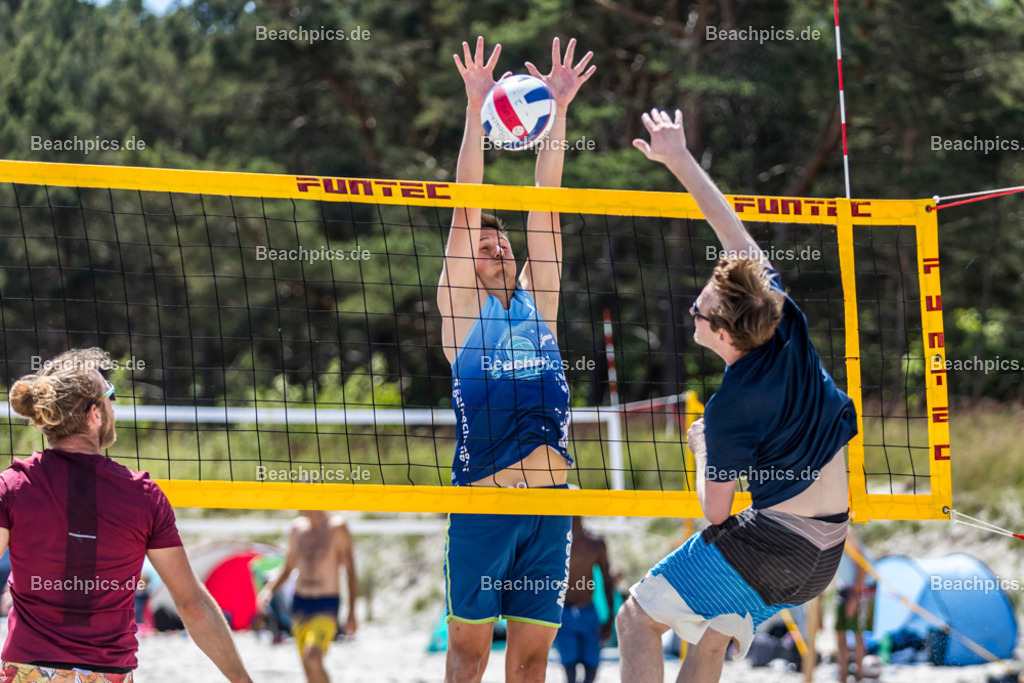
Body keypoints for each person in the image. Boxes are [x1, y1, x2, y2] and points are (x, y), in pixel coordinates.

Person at [615, 109, 858, 683]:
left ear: (724, 335)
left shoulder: (728, 409)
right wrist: (678, 158)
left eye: (699, 310)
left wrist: (701, 446)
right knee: (712, 633)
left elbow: (715, 511)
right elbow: (733, 235)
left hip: (775, 546)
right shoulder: (783, 320)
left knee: (635, 620)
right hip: (826, 554)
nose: (691, 309)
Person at [436, 36, 594, 683]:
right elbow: (465, 206)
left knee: (530, 662)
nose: (496, 246)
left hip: (551, 507)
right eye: (485, 245)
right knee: (470, 657)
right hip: (484, 502)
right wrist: (476, 106)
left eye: (501, 242)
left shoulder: (539, 304)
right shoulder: (460, 312)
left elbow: (545, 206)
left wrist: (558, 109)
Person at [1, 348, 251, 683]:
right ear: (94, 414)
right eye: (111, 400)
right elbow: (192, 605)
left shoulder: (13, 486)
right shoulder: (143, 496)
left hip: (28, 671)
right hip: (107, 674)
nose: (113, 411)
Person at [257, 511, 358, 683]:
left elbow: (350, 570)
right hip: (300, 602)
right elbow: (288, 567)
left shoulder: (337, 527)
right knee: (307, 664)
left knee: (313, 657)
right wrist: (269, 590)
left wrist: (352, 612)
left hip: (326, 602)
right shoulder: (297, 528)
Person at [554, 517, 616, 683]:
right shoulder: (555, 539)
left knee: (592, 662)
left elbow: (607, 581)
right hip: (563, 610)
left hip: (587, 609)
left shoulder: (594, 542)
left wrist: (610, 618)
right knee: (569, 662)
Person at [835, 527, 876, 682]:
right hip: (844, 585)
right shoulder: (826, 530)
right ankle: (843, 675)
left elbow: (861, 564)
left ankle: (858, 675)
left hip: (863, 586)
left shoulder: (845, 531)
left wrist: (856, 596)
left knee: (858, 631)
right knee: (840, 631)